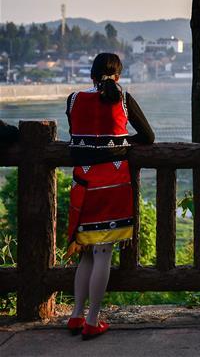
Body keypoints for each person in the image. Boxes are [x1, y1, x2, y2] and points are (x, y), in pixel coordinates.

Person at [65, 53, 155, 340]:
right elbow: (148, 136)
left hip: (83, 181)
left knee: (86, 255)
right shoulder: (123, 98)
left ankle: (76, 316)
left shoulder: (73, 99)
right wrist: (123, 143)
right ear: (118, 75)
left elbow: (76, 134)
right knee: (103, 252)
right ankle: (93, 320)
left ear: (92, 74)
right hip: (112, 182)